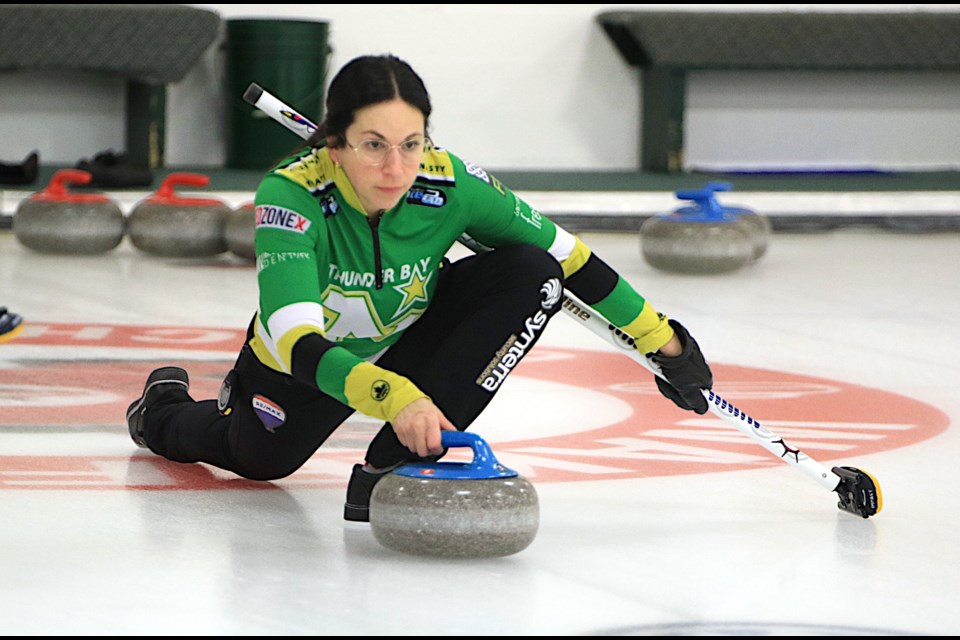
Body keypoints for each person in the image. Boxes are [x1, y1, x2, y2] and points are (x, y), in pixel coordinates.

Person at [126, 54, 713, 522]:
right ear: (336, 141)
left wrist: (664, 344)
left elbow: (572, 259)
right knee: (258, 460)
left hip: (409, 334)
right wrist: (393, 396)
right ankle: (162, 411)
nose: (395, 169)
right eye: (373, 145)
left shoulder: (451, 182)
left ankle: (396, 464)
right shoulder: (291, 193)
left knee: (534, 274)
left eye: (411, 144)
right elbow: (292, 337)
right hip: (310, 363)